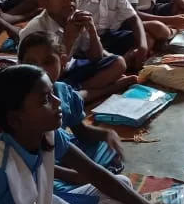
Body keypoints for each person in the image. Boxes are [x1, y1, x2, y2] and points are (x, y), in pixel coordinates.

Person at [0, 64, 167, 204]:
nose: (58, 103)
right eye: (44, 100)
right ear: (15, 118)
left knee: (121, 185)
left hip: (33, 203)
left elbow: (93, 173)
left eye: (52, 94)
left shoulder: (47, 134)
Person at [18, 33, 130, 193]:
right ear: (20, 65)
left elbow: (81, 131)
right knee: (43, 189)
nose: (40, 69)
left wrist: (106, 133)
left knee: (106, 147)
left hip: (60, 151)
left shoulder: (63, 91)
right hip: (32, 165)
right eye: (31, 63)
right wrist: (72, 175)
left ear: (62, 62)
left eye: (48, 62)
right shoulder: (20, 101)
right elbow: (21, 156)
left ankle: (86, 182)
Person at [22, 0, 130, 102]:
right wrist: (69, 38)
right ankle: (93, 91)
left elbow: (95, 56)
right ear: (43, 1)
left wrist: (91, 30)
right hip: (48, 78)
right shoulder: (35, 30)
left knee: (119, 63)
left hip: (71, 69)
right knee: (49, 90)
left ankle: (75, 92)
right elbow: (45, 73)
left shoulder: (77, 17)